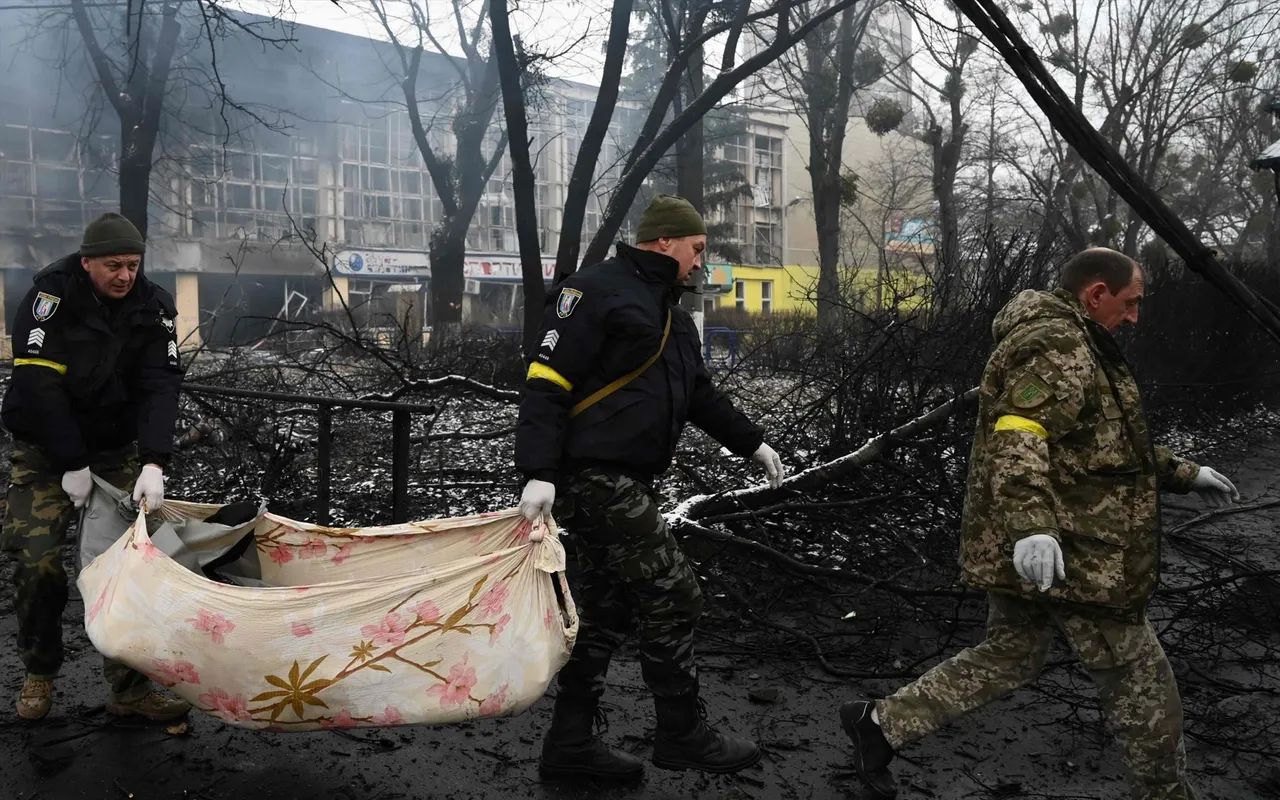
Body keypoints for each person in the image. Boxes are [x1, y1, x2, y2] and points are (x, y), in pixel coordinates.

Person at [840, 248, 1240, 800]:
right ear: (1096, 294)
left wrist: (1185, 474)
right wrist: (1033, 526)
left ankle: (880, 726)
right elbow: (1019, 433)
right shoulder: (1059, 343)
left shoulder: (1075, 340)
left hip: (1041, 544)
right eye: (1130, 303)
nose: (1134, 317)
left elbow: (1102, 441)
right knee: (1139, 680)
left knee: (1012, 653)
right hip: (1072, 550)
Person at [515, 194, 786, 781]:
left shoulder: (673, 316)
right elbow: (546, 379)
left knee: (607, 608)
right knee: (675, 593)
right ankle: (682, 735)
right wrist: (538, 469)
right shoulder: (593, 291)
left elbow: (700, 396)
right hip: (592, 475)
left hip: (628, 478)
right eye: (696, 248)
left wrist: (754, 443)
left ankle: (570, 745)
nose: (700, 261)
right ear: (665, 241)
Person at [2, 212, 189, 723]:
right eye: (114, 265)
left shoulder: (153, 306)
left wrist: (154, 461)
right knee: (37, 565)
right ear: (87, 263)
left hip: (112, 451)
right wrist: (71, 462)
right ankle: (40, 672)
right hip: (46, 453)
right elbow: (38, 385)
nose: (126, 275)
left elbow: (160, 385)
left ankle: (129, 689)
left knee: (127, 568)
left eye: (133, 264)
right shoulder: (49, 300)